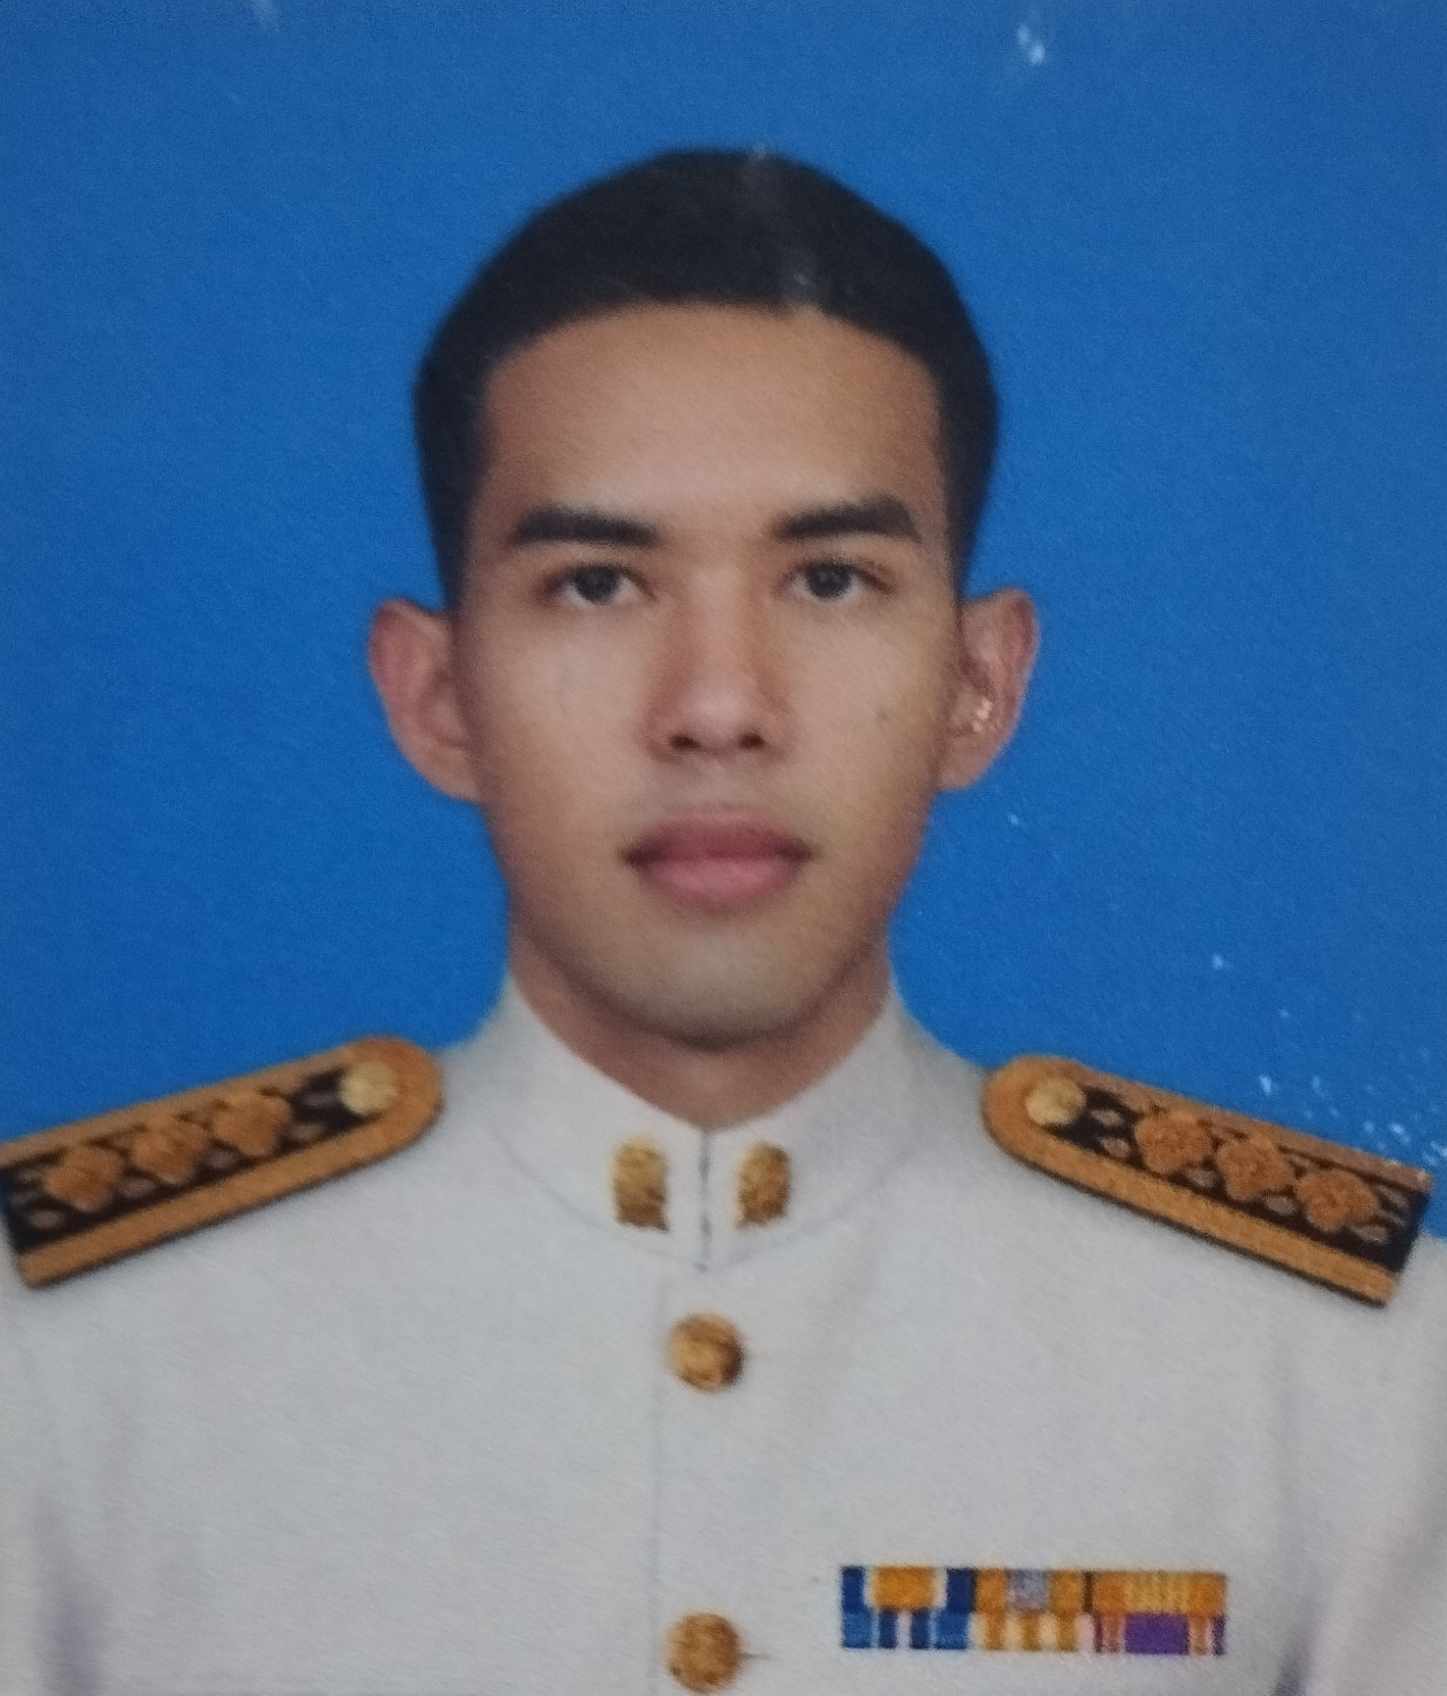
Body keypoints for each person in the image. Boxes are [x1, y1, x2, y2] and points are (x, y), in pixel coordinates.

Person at [2, 149, 1444, 1695]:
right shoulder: (69, 1364)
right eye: (596, 585)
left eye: (829, 580)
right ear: (437, 697)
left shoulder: (1337, 1368)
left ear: (979, 684)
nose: (716, 707)